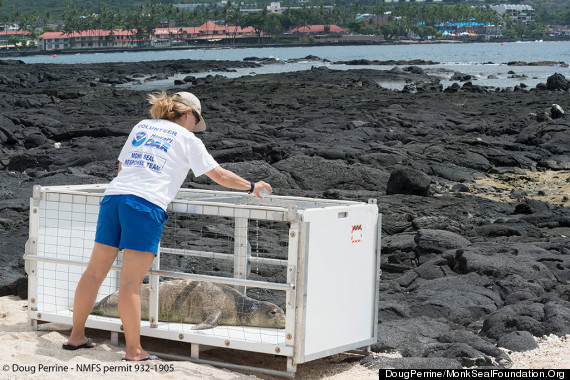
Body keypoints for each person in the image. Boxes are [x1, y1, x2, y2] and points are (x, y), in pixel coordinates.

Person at [63, 91, 272, 361]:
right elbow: (219, 175)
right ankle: (134, 350)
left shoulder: (142, 126)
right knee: (130, 284)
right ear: (188, 114)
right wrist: (253, 186)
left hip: (113, 199)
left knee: (93, 274)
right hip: (145, 206)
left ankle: (76, 336)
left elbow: (122, 166)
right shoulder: (188, 139)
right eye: (195, 121)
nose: (194, 127)